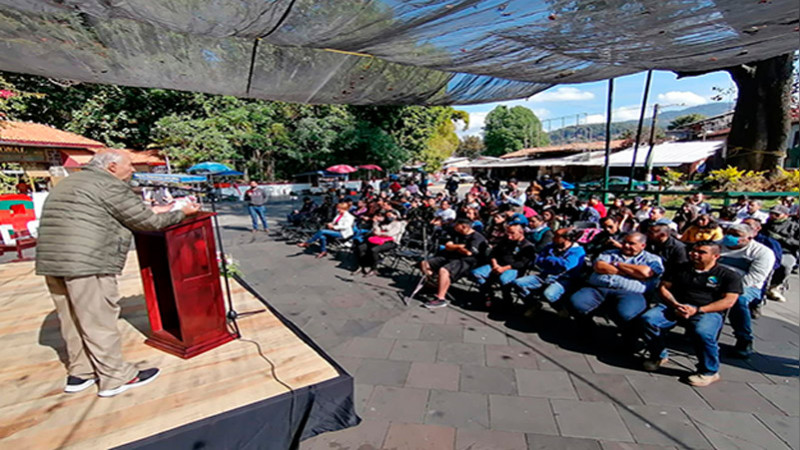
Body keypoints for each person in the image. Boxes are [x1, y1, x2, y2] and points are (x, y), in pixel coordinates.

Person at [35, 150, 201, 397]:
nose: (133, 170)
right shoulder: (110, 185)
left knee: (71, 320)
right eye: (129, 165)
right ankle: (116, 377)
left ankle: (81, 372)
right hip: (88, 262)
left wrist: (159, 209)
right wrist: (182, 213)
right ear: (112, 167)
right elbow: (148, 223)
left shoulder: (72, 181)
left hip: (54, 260)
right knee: (97, 320)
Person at [640, 241, 742, 387]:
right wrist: (675, 304)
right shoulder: (679, 268)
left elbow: (729, 301)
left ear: (715, 256)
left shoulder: (728, 275)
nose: (694, 254)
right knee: (648, 319)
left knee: (703, 332)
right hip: (675, 305)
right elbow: (664, 287)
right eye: (693, 251)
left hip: (707, 310)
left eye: (701, 252)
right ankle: (658, 355)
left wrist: (698, 310)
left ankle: (709, 371)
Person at [569, 233, 664, 330]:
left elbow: (645, 272)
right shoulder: (609, 253)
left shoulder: (652, 259)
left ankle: (628, 338)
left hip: (631, 293)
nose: (626, 246)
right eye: (624, 242)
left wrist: (616, 264)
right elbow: (599, 266)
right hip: (598, 289)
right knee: (577, 302)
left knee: (627, 314)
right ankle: (587, 329)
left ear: (642, 245)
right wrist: (632, 273)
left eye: (631, 243)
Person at [719, 223, 775, 358]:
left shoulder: (762, 253)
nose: (729, 237)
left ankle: (744, 339)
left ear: (749, 238)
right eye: (728, 233)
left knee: (738, 300)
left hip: (746, 286)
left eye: (736, 235)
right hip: (715, 281)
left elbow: (754, 278)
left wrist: (729, 290)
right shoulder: (717, 246)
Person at [513, 228, 586, 316]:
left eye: (556, 236)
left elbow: (566, 265)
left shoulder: (577, 251)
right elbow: (539, 260)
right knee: (518, 283)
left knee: (549, 294)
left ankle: (560, 308)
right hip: (545, 274)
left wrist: (549, 259)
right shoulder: (550, 246)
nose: (553, 238)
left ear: (566, 238)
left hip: (563, 278)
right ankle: (533, 304)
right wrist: (554, 262)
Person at [420, 218, 489, 308]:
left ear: (464, 227)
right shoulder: (456, 233)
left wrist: (454, 247)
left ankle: (440, 298)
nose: (455, 228)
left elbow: (468, 253)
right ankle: (434, 284)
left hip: (466, 261)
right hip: (450, 256)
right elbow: (448, 246)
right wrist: (459, 247)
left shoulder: (477, 238)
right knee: (424, 264)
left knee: (444, 270)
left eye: (457, 226)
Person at [472, 223, 536, 309]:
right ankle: (488, 293)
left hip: (512, 268)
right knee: (476, 273)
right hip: (497, 264)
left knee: (504, 279)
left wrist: (504, 268)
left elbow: (521, 263)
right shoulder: (505, 240)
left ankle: (507, 299)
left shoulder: (527, 246)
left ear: (521, 232)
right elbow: (493, 253)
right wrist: (495, 264)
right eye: (508, 233)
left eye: (512, 233)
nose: (509, 236)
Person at [762, 205, 799, 301]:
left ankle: (775, 286)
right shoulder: (766, 225)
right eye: (771, 214)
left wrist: (783, 239)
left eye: (777, 215)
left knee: (785, 265)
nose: (773, 216)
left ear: (786, 215)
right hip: (766, 250)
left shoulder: (794, 226)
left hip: (785, 251)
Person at [355, 210, 405, 277]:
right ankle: (362, 265)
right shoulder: (387, 222)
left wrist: (379, 233)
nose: (388, 217)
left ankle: (374, 268)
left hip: (392, 241)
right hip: (379, 239)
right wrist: (375, 223)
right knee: (361, 247)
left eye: (390, 215)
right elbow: (377, 229)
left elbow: (390, 234)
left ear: (396, 215)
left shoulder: (398, 224)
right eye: (387, 216)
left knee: (374, 250)